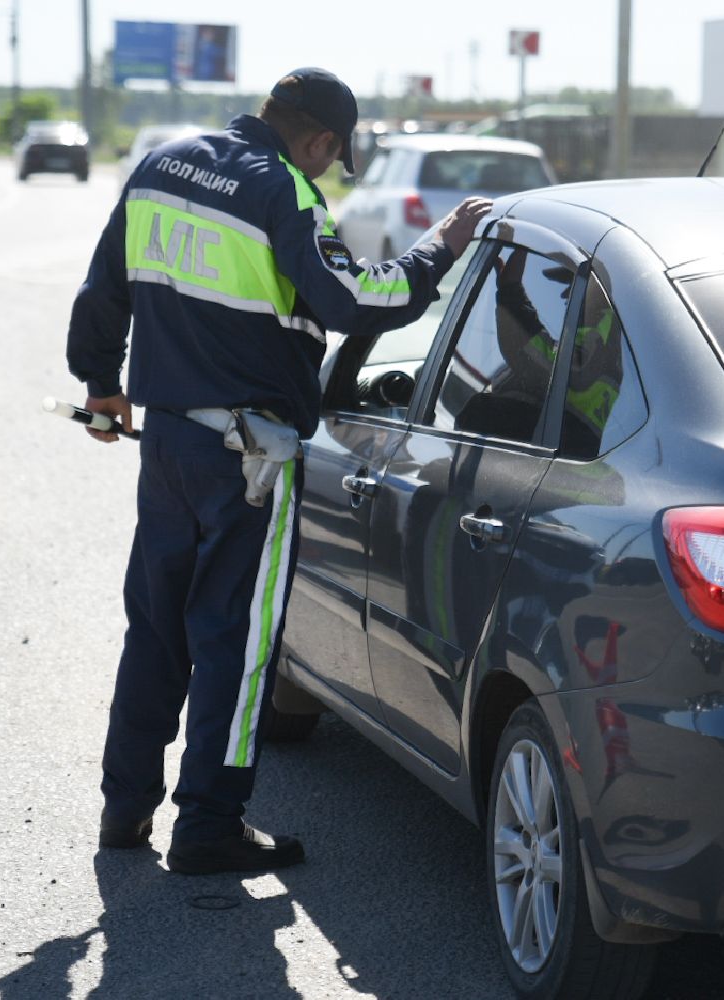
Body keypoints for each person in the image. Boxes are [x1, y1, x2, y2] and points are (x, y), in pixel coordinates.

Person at [65, 67, 491, 874]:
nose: (327, 174)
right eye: (332, 161)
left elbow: (104, 284)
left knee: (155, 628)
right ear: (322, 140)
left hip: (166, 445)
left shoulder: (162, 165)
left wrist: (100, 384)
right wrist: (441, 247)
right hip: (249, 458)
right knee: (235, 638)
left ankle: (124, 812)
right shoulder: (284, 191)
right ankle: (207, 827)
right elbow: (353, 301)